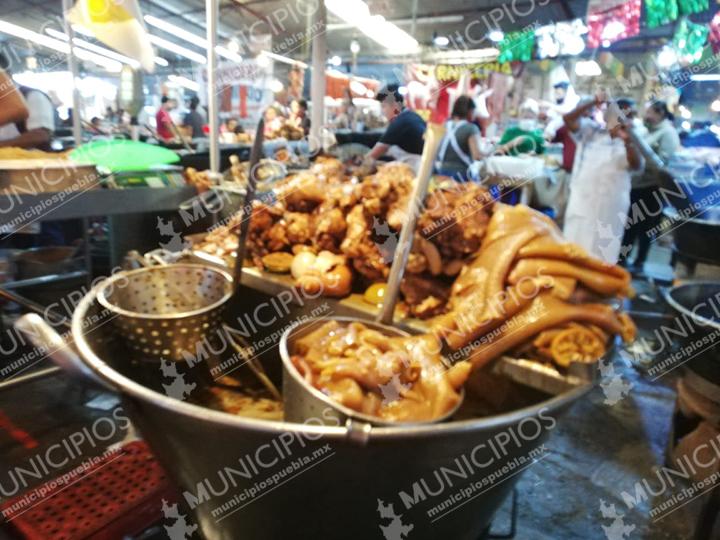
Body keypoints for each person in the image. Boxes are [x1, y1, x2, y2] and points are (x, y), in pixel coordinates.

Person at [562, 92, 643, 264]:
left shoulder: (632, 139)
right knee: (574, 246)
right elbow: (568, 119)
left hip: (611, 206)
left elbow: (637, 165)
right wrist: (592, 101)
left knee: (603, 251)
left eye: (630, 115)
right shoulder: (589, 131)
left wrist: (627, 139)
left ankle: (599, 286)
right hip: (582, 202)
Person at [622, 100, 680, 271]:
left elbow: (662, 164)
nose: (646, 116)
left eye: (649, 113)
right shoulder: (647, 131)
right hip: (637, 185)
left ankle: (640, 262)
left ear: (660, 113)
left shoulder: (668, 133)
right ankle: (623, 260)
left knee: (646, 227)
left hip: (652, 188)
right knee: (630, 226)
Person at [365, 84, 426, 171]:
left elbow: (372, 156)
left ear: (395, 105)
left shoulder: (400, 122)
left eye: (383, 106)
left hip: (417, 172)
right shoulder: (411, 115)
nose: (382, 111)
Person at [0, 54, 55, 150]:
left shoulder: (32, 96)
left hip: (31, 161)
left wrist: (2, 146)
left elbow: (40, 136)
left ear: (6, 74)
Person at [435, 96, 483, 181]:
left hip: (441, 173)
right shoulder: (471, 128)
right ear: (470, 111)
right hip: (461, 176)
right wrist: (491, 152)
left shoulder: (444, 125)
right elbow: (477, 156)